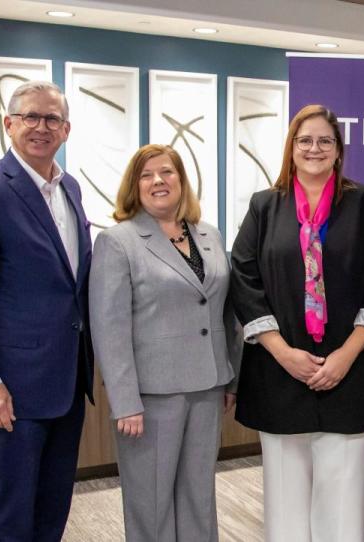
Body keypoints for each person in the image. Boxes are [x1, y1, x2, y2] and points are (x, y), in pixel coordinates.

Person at [230, 104, 364, 542]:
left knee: (345, 496)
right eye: (305, 140)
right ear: (291, 148)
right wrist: (282, 352)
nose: (314, 148)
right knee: (285, 497)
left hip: (350, 372)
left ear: (339, 151)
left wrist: (345, 355)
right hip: (280, 373)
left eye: (325, 140)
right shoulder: (265, 206)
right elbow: (243, 276)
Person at [0, 81, 93, 542]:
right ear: (9, 124)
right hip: (10, 391)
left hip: (65, 383)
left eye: (51, 119)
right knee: (11, 516)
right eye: (30, 116)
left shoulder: (70, 189)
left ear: (65, 130)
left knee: (52, 508)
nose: (40, 127)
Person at [89, 144, 240, 542]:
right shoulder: (118, 241)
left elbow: (223, 309)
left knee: (198, 497)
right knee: (151, 502)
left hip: (208, 387)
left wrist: (231, 378)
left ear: (181, 180)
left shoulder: (208, 234)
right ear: (134, 186)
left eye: (167, 172)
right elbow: (110, 327)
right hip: (150, 397)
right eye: (147, 175)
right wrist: (124, 401)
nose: (159, 181)